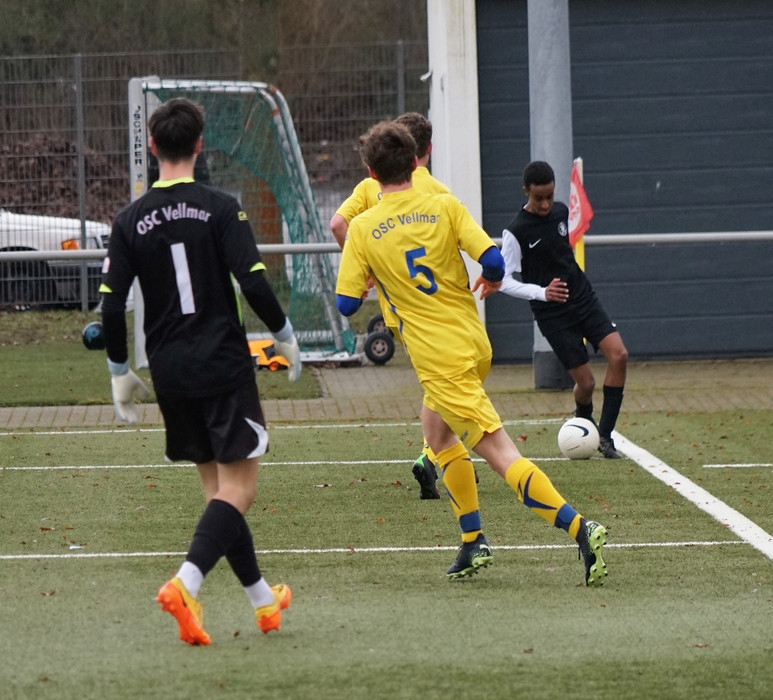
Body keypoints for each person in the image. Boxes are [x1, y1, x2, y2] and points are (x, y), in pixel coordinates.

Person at [334, 120, 608, 587]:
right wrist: (490, 278)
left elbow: (345, 305)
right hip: (474, 342)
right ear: (416, 161)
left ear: (371, 173)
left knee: (499, 453)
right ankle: (472, 540)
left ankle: (582, 529)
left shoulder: (362, 227)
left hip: (440, 358)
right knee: (437, 436)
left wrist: (371, 280)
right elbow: (494, 261)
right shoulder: (443, 203)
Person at [99, 98, 302, 646]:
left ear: (152, 147)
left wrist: (119, 370)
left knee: (218, 491)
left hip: (170, 372)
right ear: (199, 144)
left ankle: (263, 602)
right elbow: (253, 281)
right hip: (222, 365)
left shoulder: (128, 220)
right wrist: (284, 333)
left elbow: (111, 306)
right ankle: (185, 585)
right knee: (240, 490)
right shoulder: (221, 207)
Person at [330, 112, 452, 501]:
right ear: (426, 150)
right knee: (449, 383)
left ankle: (448, 457)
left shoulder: (371, 185)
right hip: (440, 309)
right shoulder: (438, 193)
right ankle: (435, 456)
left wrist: (363, 269)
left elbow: (338, 224)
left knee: (438, 383)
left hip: (396, 309)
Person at [498, 160, 628, 459]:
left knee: (619, 355)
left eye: (549, 196)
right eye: (538, 198)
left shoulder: (560, 212)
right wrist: (541, 292)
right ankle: (583, 424)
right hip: (552, 314)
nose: (546, 204)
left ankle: (605, 437)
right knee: (586, 383)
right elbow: (503, 281)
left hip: (583, 298)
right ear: (525, 191)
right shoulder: (515, 232)